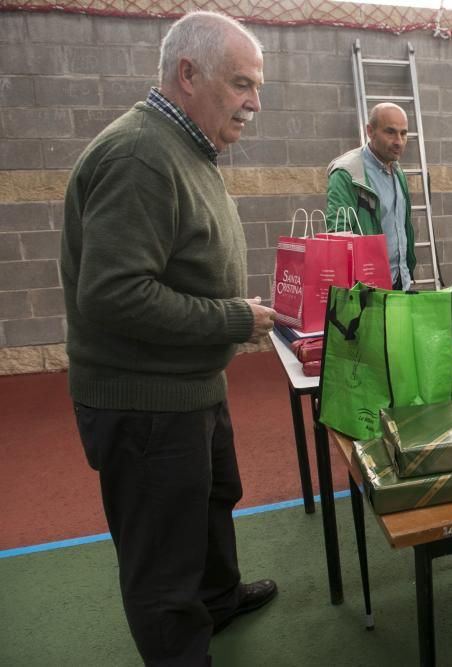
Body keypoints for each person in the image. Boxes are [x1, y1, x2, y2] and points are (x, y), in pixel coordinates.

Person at [60, 11, 278, 666]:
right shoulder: (140, 155)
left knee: (211, 505)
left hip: (189, 387)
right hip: (146, 405)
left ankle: (219, 597)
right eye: (241, 84)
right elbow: (114, 295)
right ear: (189, 73)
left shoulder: (184, 146)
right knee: (162, 565)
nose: (254, 103)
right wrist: (235, 319)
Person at [326, 102, 415, 291]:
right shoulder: (347, 173)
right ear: (370, 131)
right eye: (390, 132)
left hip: (401, 280)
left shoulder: (397, 171)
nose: (399, 141)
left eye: (403, 133)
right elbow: (338, 237)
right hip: (368, 290)